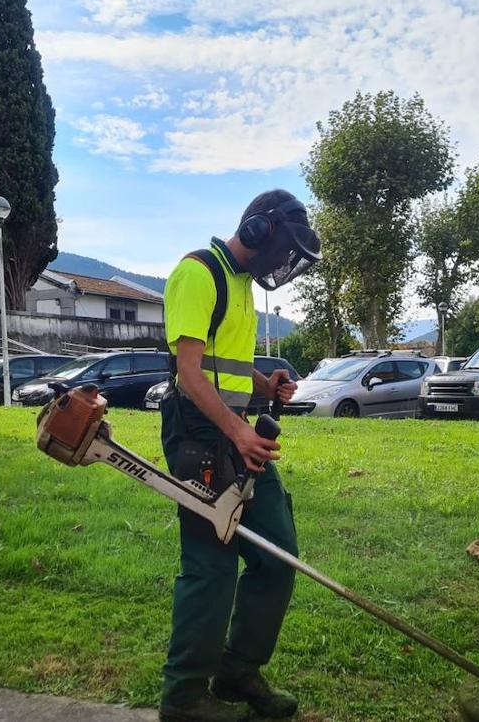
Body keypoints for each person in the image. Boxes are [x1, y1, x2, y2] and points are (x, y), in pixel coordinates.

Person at [158, 190, 322, 722]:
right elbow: (189, 372)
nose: (284, 263)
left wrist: (262, 381)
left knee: (278, 553)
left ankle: (237, 670)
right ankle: (183, 697)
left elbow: (221, 363)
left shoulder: (241, 285)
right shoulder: (198, 273)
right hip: (197, 436)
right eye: (283, 250)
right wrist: (237, 430)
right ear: (258, 229)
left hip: (235, 433)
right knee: (211, 566)